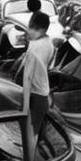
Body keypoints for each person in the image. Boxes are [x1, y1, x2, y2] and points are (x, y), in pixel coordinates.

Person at [23, 11, 54, 144]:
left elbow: (27, 78)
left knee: (30, 135)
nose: (28, 31)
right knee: (34, 133)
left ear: (40, 30)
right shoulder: (49, 44)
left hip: (34, 96)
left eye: (30, 28)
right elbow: (48, 68)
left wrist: (24, 106)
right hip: (43, 95)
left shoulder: (34, 48)